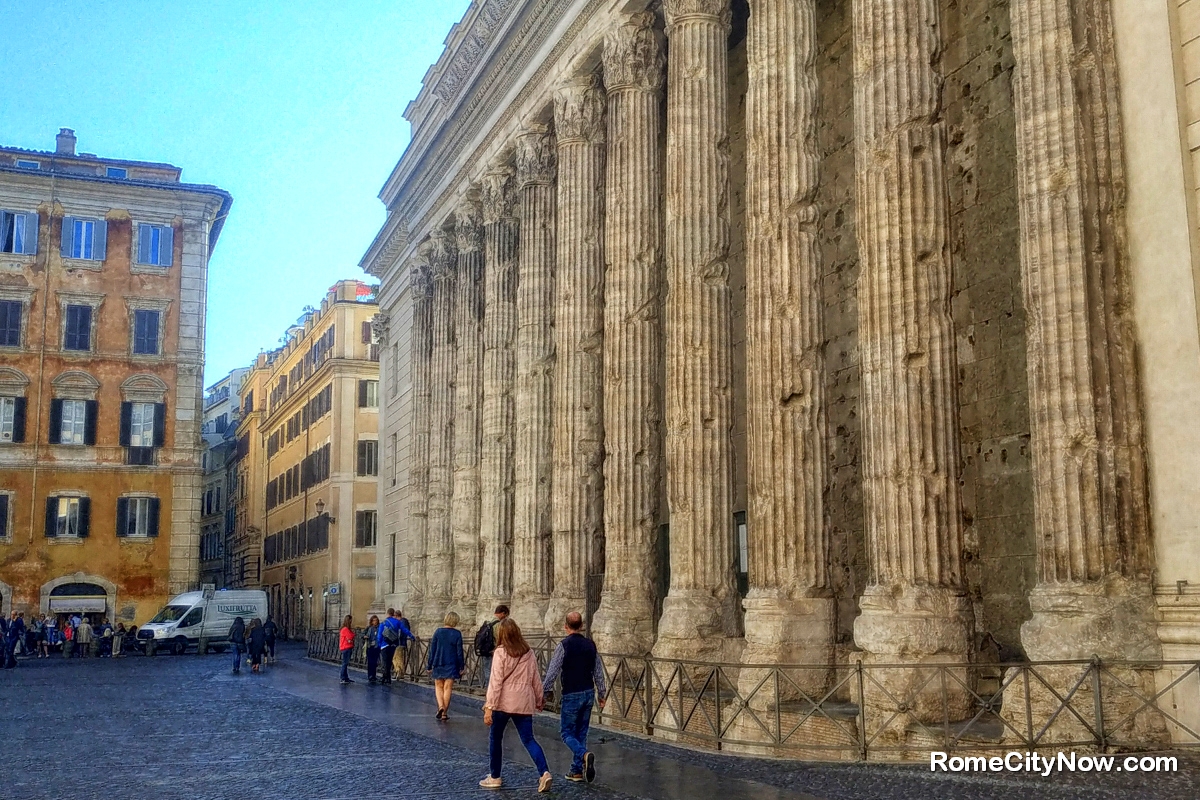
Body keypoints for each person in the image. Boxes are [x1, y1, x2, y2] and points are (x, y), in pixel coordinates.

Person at [480, 618, 552, 793]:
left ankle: (495, 776)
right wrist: (540, 699)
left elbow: (495, 682)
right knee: (529, 739)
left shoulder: (500, 652)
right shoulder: (529, 653)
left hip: (503, 703)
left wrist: (489, 706)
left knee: (496, 739)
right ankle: (544, 772)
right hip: (524, 702)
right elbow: (536, 679)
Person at [542, 611, 608, 783]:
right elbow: (598, 672)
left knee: (566, 733)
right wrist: (602, 694)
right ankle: (576, 770)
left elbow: (552, 672)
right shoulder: (590, 645)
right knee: (581, 732)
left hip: (571, 693)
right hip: (588, 692)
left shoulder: (563, 646)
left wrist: (544, 692)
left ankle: (584, 755)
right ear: (581, 626)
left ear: (566, 626)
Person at [425, 612, 464, 720]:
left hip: (438, 661)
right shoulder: (457, 634)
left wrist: (429, 665)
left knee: (438, 686)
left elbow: (432, 650)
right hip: (452, 663)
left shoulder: (438, 632)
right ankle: (444, 713)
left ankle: (441, 706)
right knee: (448, 688)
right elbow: (459, 652)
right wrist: (461, 667)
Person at [474, 605, 508, 689]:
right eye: (506, 615)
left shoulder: (487, 621)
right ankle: (493, 689)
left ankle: (488, 687)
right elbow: (498, 638)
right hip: (494, 650)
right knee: (496, 670)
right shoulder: (498, 624)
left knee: (487, 669)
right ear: (503, 613)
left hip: (485, 650)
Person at [378, 608, 413, 685]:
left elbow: (379, 635)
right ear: (393, 614)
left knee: (385, 661)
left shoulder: (383, 623)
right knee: (390, 661)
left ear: (387, 613)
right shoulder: (397, 622)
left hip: (384, 645)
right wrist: (412, 636)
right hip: (393, 644)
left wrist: (379, 644)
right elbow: (405, 630)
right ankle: (387, 678)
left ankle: (385, 677)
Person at [338, 615, 355, 684]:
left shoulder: (344, 629)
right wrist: (353, 634)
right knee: (345, 663)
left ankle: (346, 677)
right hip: (346, 647)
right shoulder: (345, 629)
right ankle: (343, 677)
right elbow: (350, 636)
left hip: (346, 647)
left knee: (345, 663)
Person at [364, 615, 381, 684]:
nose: (375, 622)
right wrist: (365, 636)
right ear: (371, 621)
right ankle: (370, 675)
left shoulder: (379, 628)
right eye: (374, 620)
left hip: (376, 647)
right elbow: (363, 634)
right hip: (370, 646)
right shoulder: (369, 628)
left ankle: (374, 675)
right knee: (370, 662)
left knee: (375, 662)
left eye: (376, 620)